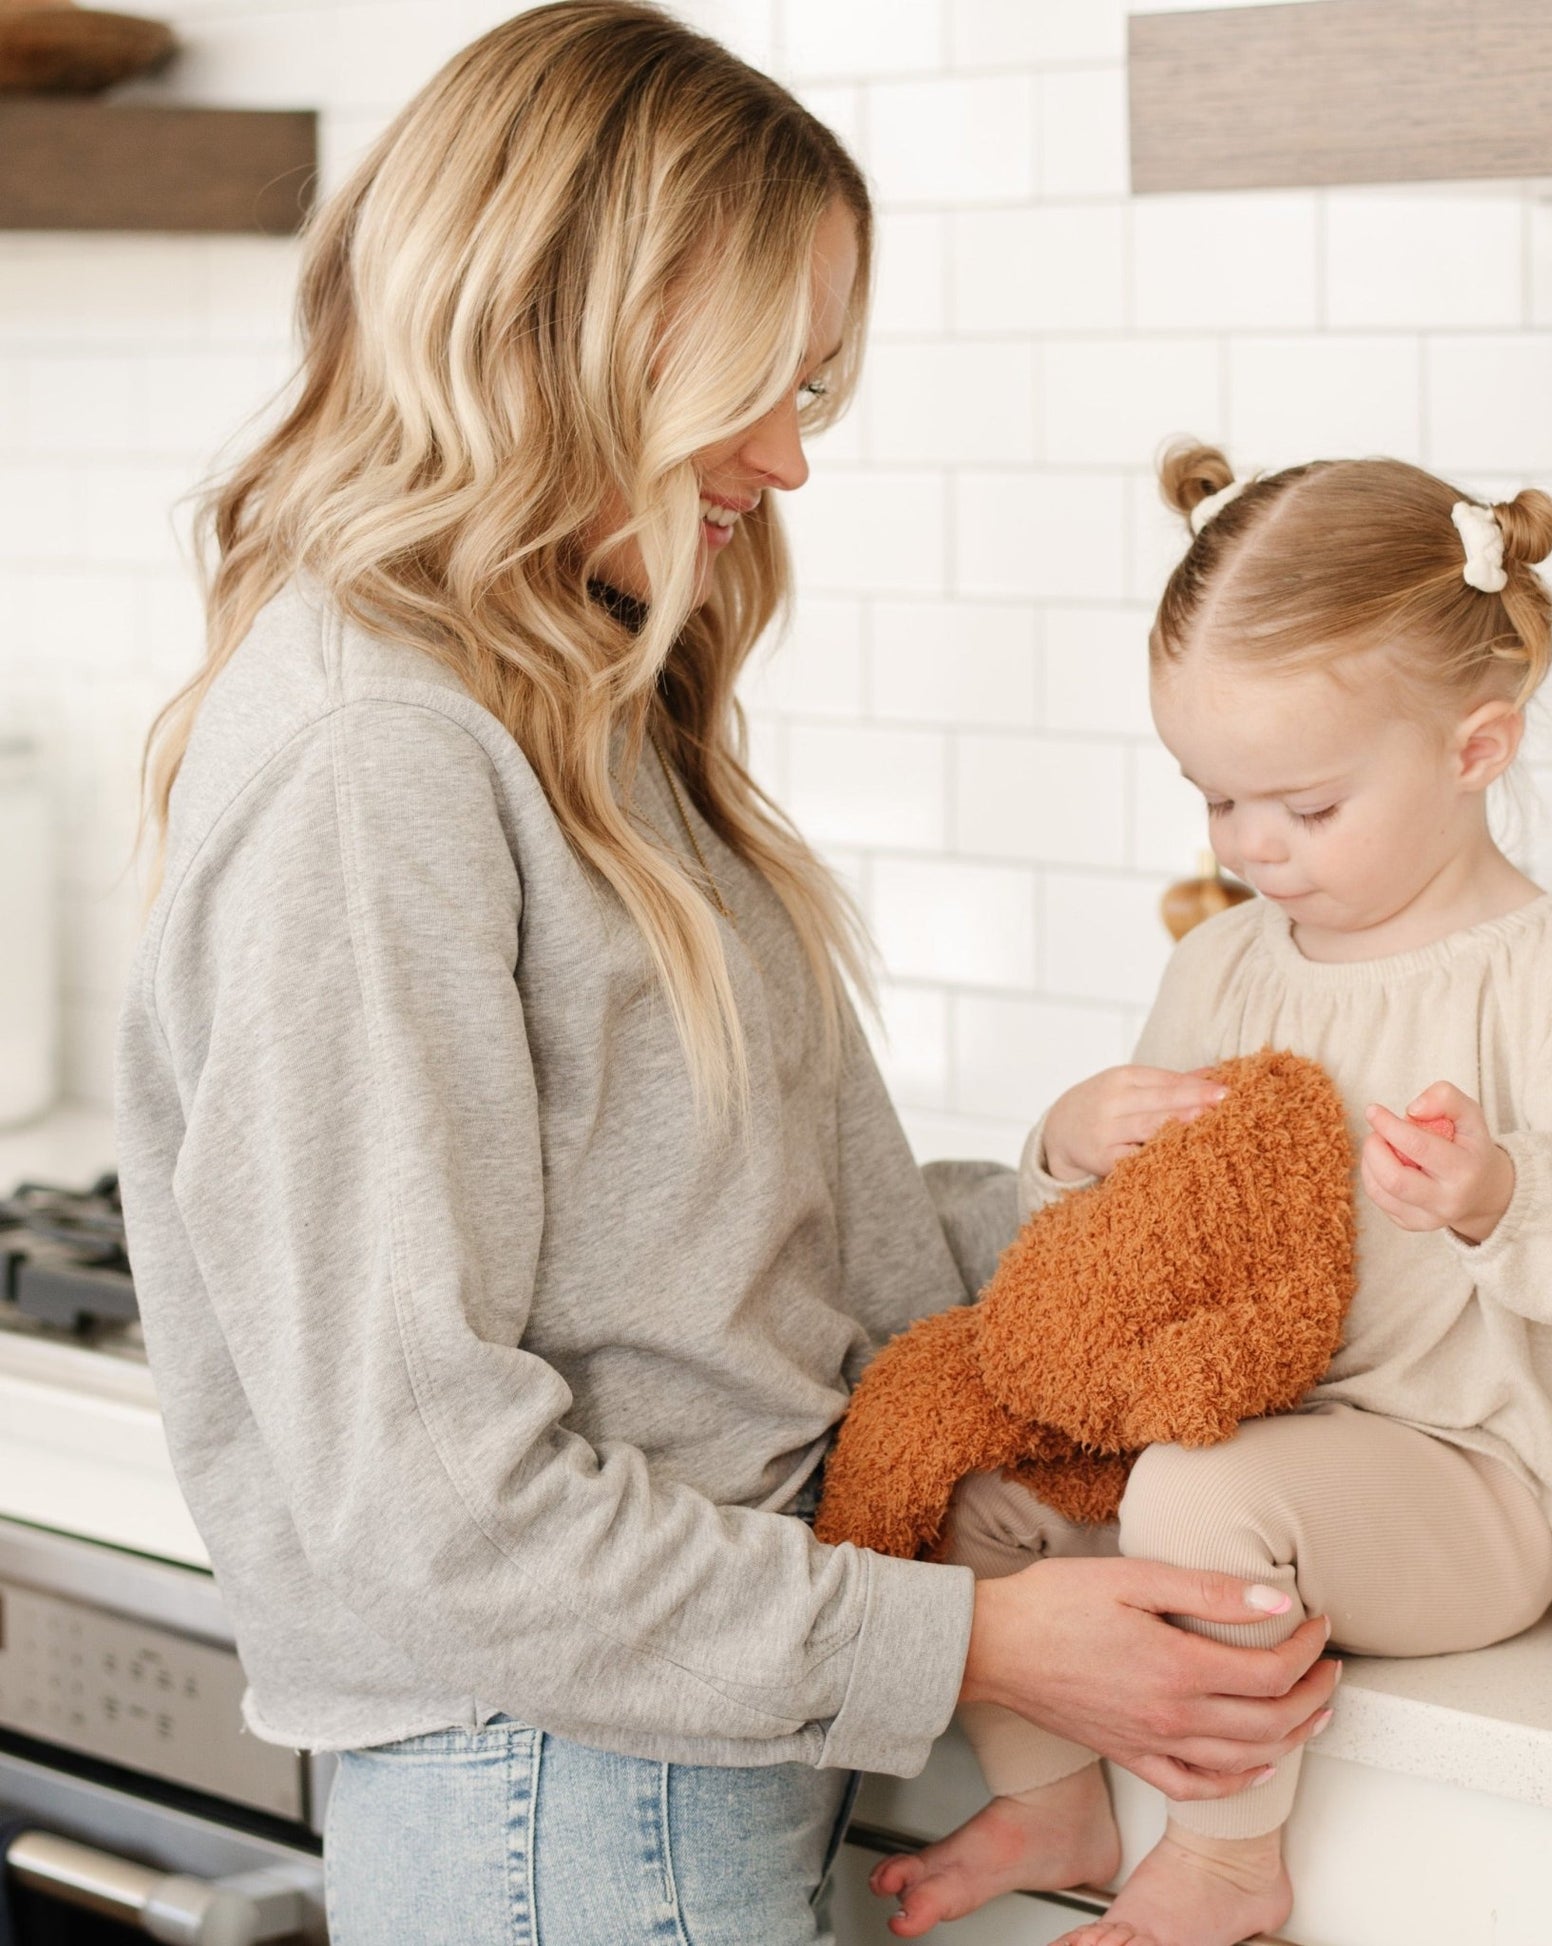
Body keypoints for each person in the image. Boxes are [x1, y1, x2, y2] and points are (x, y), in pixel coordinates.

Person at [111, 15, 1338, 1944]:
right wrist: (982, 1639)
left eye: (815, 394)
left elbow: (733, 1260)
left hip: (652, 1774)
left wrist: (1084, 1212)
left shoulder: (575, 699)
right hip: (557, 1797)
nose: (781, 458)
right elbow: (431, 1510)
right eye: (753, 385)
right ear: (557, 333)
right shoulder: (379, 757)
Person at [872, 445, 1552, 1946]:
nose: (1250, 846)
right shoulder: (1224, 962)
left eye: (1302, 807)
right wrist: (1067, 1146)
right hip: (1248, 1441)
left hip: (1471, 1479)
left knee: (1193, 1494)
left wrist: (1496, 1191)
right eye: (1214, 797)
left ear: (1473, 748)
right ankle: (1052, 1785)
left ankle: (1230, 1855)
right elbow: (1121, 1266)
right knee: (974, 1479)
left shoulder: (1544, 964)